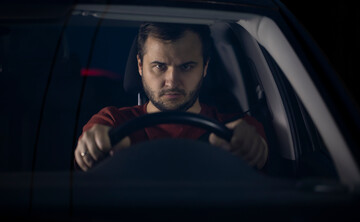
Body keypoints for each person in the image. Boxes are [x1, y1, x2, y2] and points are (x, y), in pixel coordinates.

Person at [74, 22, 268, 172]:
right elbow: (89, 148)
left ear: (205, 67)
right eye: (159, 66)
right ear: (140, 66)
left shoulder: (235, 128)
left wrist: (250, 145)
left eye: (186, 66)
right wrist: (92, 149)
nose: (172, 81)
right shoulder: (113, 121)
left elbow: (257, 149)